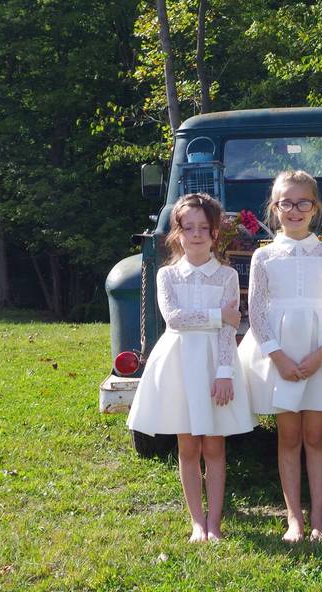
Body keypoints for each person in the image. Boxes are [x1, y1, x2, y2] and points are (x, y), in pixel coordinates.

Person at [238, 170, 322, 543]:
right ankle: (293, 518)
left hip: (320, 353)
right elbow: (257, 311)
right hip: (279, 353)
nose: (294, 210)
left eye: (303, 202)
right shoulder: (264, 256)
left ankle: (319, 517)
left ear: (315, 207)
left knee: (315, 436)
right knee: (289, 437)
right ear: (275, 208)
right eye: (286, 203)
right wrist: (277, 357)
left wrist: (321, 355)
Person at [127, 193, 256, 543]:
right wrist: (218, 316)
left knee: (214, 446)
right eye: (189, 228)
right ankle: (196, 522)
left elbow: (230, 331)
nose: (197, 234)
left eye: (204, 227)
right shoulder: (167, 276)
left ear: (215, 233)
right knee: (188, 446)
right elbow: (175, 319)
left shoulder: (227, 276)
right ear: (177, 234)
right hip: (179, 363)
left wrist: (225, 372)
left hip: (215, 364)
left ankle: (215, 522)